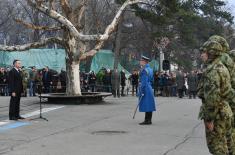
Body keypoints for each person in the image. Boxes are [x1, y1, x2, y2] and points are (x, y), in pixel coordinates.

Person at [198, 41, 235, 155]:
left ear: (211, 53)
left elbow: (212, 99)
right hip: (224, 111)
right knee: (228, 145)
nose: (201, 55)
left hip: (217, 114)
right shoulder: (222, 67)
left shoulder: (212, 71)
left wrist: (209, 119)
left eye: (204, 52)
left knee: (217, 147)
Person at [138, 56, 156, 125]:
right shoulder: (150, 69)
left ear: (144, 62)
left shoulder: (144, 70)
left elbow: (144, 82)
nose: (140, 62)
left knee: (146, 104)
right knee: (149, 104)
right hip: (149, 87)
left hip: (145, 88)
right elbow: (152, 80)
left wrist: (142, 91)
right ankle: (149, 120)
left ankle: (147, 120)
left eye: (141, 61)